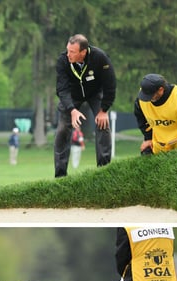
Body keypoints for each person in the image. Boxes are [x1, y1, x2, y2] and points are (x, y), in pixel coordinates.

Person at [53, 34, 116, 177]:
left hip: (95, 93)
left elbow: (110, 85)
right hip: (72, 96)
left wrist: (104, 110)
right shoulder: (63, 60)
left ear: (83, 51)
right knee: (62, 129)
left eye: (72, 52)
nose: (68, 54)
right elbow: (62, 90)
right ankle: (60, 175)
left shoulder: (100, 58)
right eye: (67, 50)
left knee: (103, 124)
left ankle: (103, 171)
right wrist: (72, 110)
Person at [134, 73, 177, 155]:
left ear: (161, 89)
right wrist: (148, 138)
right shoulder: (142, 97)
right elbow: (141, 119)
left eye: (150, 95)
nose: (147, 99)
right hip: (159, 145)